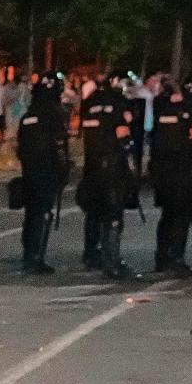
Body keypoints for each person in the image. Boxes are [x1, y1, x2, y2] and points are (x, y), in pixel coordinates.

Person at [77, 71, 138, 279]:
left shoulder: (89, 103)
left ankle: (91, 253)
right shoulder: (117, 103)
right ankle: (112, 261)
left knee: (94, 211)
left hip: (91, 165)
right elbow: (122, 134)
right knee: (113, 214)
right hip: (112, 165)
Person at [148, 72, 192, 275]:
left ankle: (162, 258)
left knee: (167, 215)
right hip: (182, 169)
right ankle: (176, 257)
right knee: (182, 215)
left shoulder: (160, 107)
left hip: (162, 169)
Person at [15, 69, 69, 274]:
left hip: (30, 170)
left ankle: (29, 253)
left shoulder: (29, 114)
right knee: (43, 213)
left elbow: (21, 146)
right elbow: (59, 144)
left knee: (32, 212)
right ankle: (36, 256)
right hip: (47, 169)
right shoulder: (54, 113)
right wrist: (63, 168)